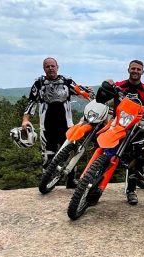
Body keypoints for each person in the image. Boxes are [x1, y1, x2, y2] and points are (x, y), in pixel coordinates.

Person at [22, 57, 92, 188]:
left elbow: (80, 91)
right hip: (47, 126)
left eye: (52, 66)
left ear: (57, 67)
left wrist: (91, 98)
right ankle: (46, 182)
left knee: (71, 152)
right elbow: (31, 102)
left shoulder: (67, 81)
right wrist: (25, 120)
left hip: (67, 125)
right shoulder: (39, 83)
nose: (50, 68)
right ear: (44, 69)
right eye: (47, 66)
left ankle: (71, 181)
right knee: (47, 155)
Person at [96, 59, 144, 205]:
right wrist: (105, 84)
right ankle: (96, 187)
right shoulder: (119, 86)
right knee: (106, 154)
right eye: (133, 68)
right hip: (117, 125)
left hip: (136, 127)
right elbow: (100, 98)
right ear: (128, 70)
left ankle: (131, 191)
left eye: (138, 69)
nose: (135, 71)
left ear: (142, 72)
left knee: (137, 157)